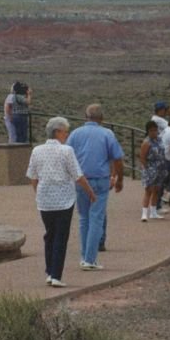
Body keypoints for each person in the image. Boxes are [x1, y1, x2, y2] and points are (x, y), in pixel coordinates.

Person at [27, 117, 96, 288]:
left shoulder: (37, 150)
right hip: (64, 200)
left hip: (44, 200)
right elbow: (77, 175)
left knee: (49, 234)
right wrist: (90, 192)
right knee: (60, 236)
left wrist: (39, 193)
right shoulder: (66, 151)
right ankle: (56, 274)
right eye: (65, 131)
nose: (67, 135)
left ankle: (50, 272)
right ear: (57, 132)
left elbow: (33, 177)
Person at [67, 104, 124, 270]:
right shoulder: (107, 134)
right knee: (96, 218)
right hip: (100, 180)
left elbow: (67, 155)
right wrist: (119, 178)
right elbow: (118, 158)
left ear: (86, 116)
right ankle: (90, 260)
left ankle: (85, 256)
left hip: (81, 180)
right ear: (102, 118)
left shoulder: (75, 134)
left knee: (84, 218)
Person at [139, 120, 167, 221]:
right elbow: (142, 157)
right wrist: (147, 169)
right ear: (148, 131)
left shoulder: (159, 140)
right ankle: (144, 213)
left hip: (160, 169)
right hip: (150, 170)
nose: (154, 132)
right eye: (152, 131)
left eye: (155, 130)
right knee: (148, 190)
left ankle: (153, 212)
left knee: (156, 190)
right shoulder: (146, 143)